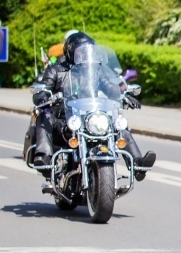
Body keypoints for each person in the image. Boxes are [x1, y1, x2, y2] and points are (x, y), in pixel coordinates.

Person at [34, 31, 156, 181]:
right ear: (71, 51)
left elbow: (109, 87)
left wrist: (124, 95)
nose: (85, 54)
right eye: (81, 51)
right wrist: (42, 96)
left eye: (88, 50)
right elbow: (44, 87)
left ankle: (137, 164)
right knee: (44, 115)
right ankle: (43, 157)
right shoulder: (56, 69)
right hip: (65, 119)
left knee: (118, 124)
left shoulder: (95, 70)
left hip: (89, 116)